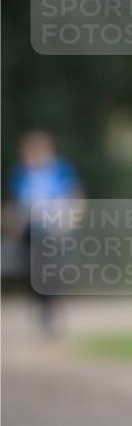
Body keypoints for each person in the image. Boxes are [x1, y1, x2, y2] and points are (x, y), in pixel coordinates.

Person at [5, 130, 81, 335]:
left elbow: (74, 195)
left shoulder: (60, 169)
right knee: (29, 271)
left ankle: (49, 309)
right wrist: (13, 224)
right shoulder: (20, 172)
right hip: (30, 230)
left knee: (50, 272)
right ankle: (42, 305)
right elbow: (13, 202)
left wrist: (72, 219)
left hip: (53, 228)